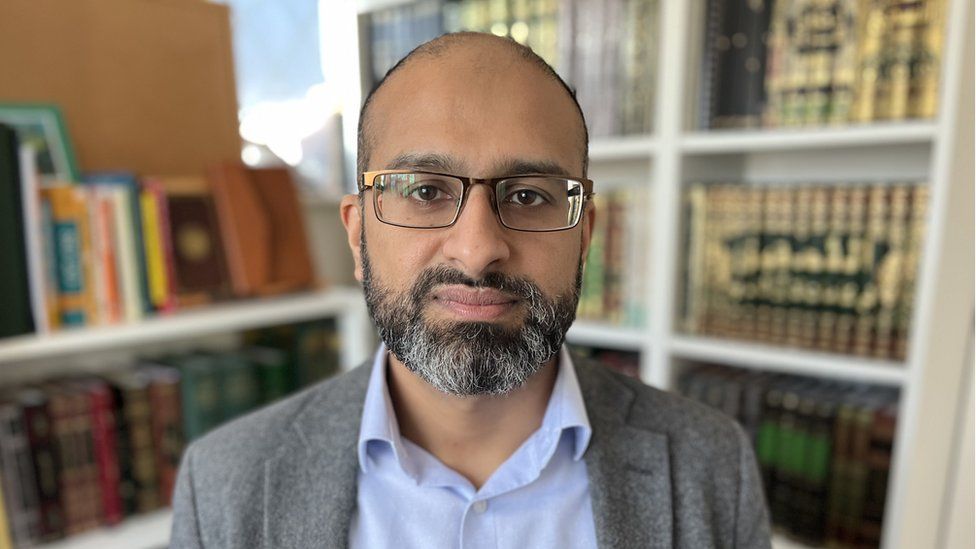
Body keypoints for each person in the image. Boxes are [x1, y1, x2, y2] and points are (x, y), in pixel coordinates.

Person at [170, 32, 771, 549]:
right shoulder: (223, 484)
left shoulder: (712, 465)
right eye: (425, 191)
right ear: (358, 237)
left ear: (584, 236)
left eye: (529, 194)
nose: (478, 247)